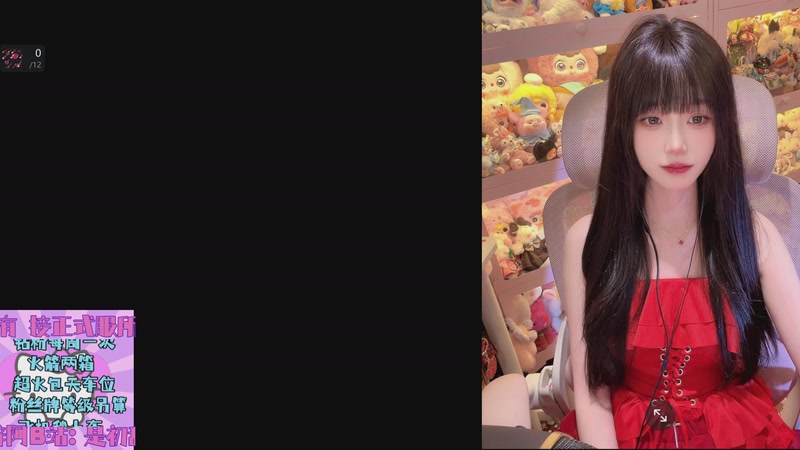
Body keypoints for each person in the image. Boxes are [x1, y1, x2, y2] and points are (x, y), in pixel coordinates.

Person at [555, 14, 800, 449]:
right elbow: (593, 393)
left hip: (736, 434)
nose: (676, 144)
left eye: (698, 117)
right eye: (652, 119)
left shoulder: (753, 235)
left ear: (721, 124)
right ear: (624, 126)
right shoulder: (587, 241)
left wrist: (787, 416)